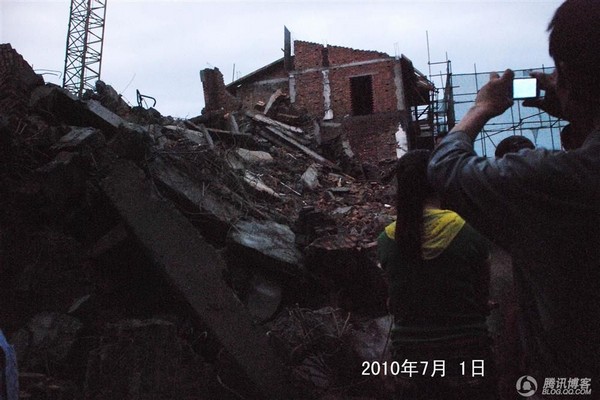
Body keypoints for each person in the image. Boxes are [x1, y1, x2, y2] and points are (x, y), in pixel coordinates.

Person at [428, 0, 600, 393]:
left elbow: (445, 167)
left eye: (558, 72)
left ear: (571, 76)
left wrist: (481, 108)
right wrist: (578, 107)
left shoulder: (553, 180)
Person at [377, 150, 496, 400]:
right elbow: (481, 295)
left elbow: (393, 300)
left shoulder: (386, 239)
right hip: (467, 355)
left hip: (409, 360)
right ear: (438, 181)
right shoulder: (468, 230)